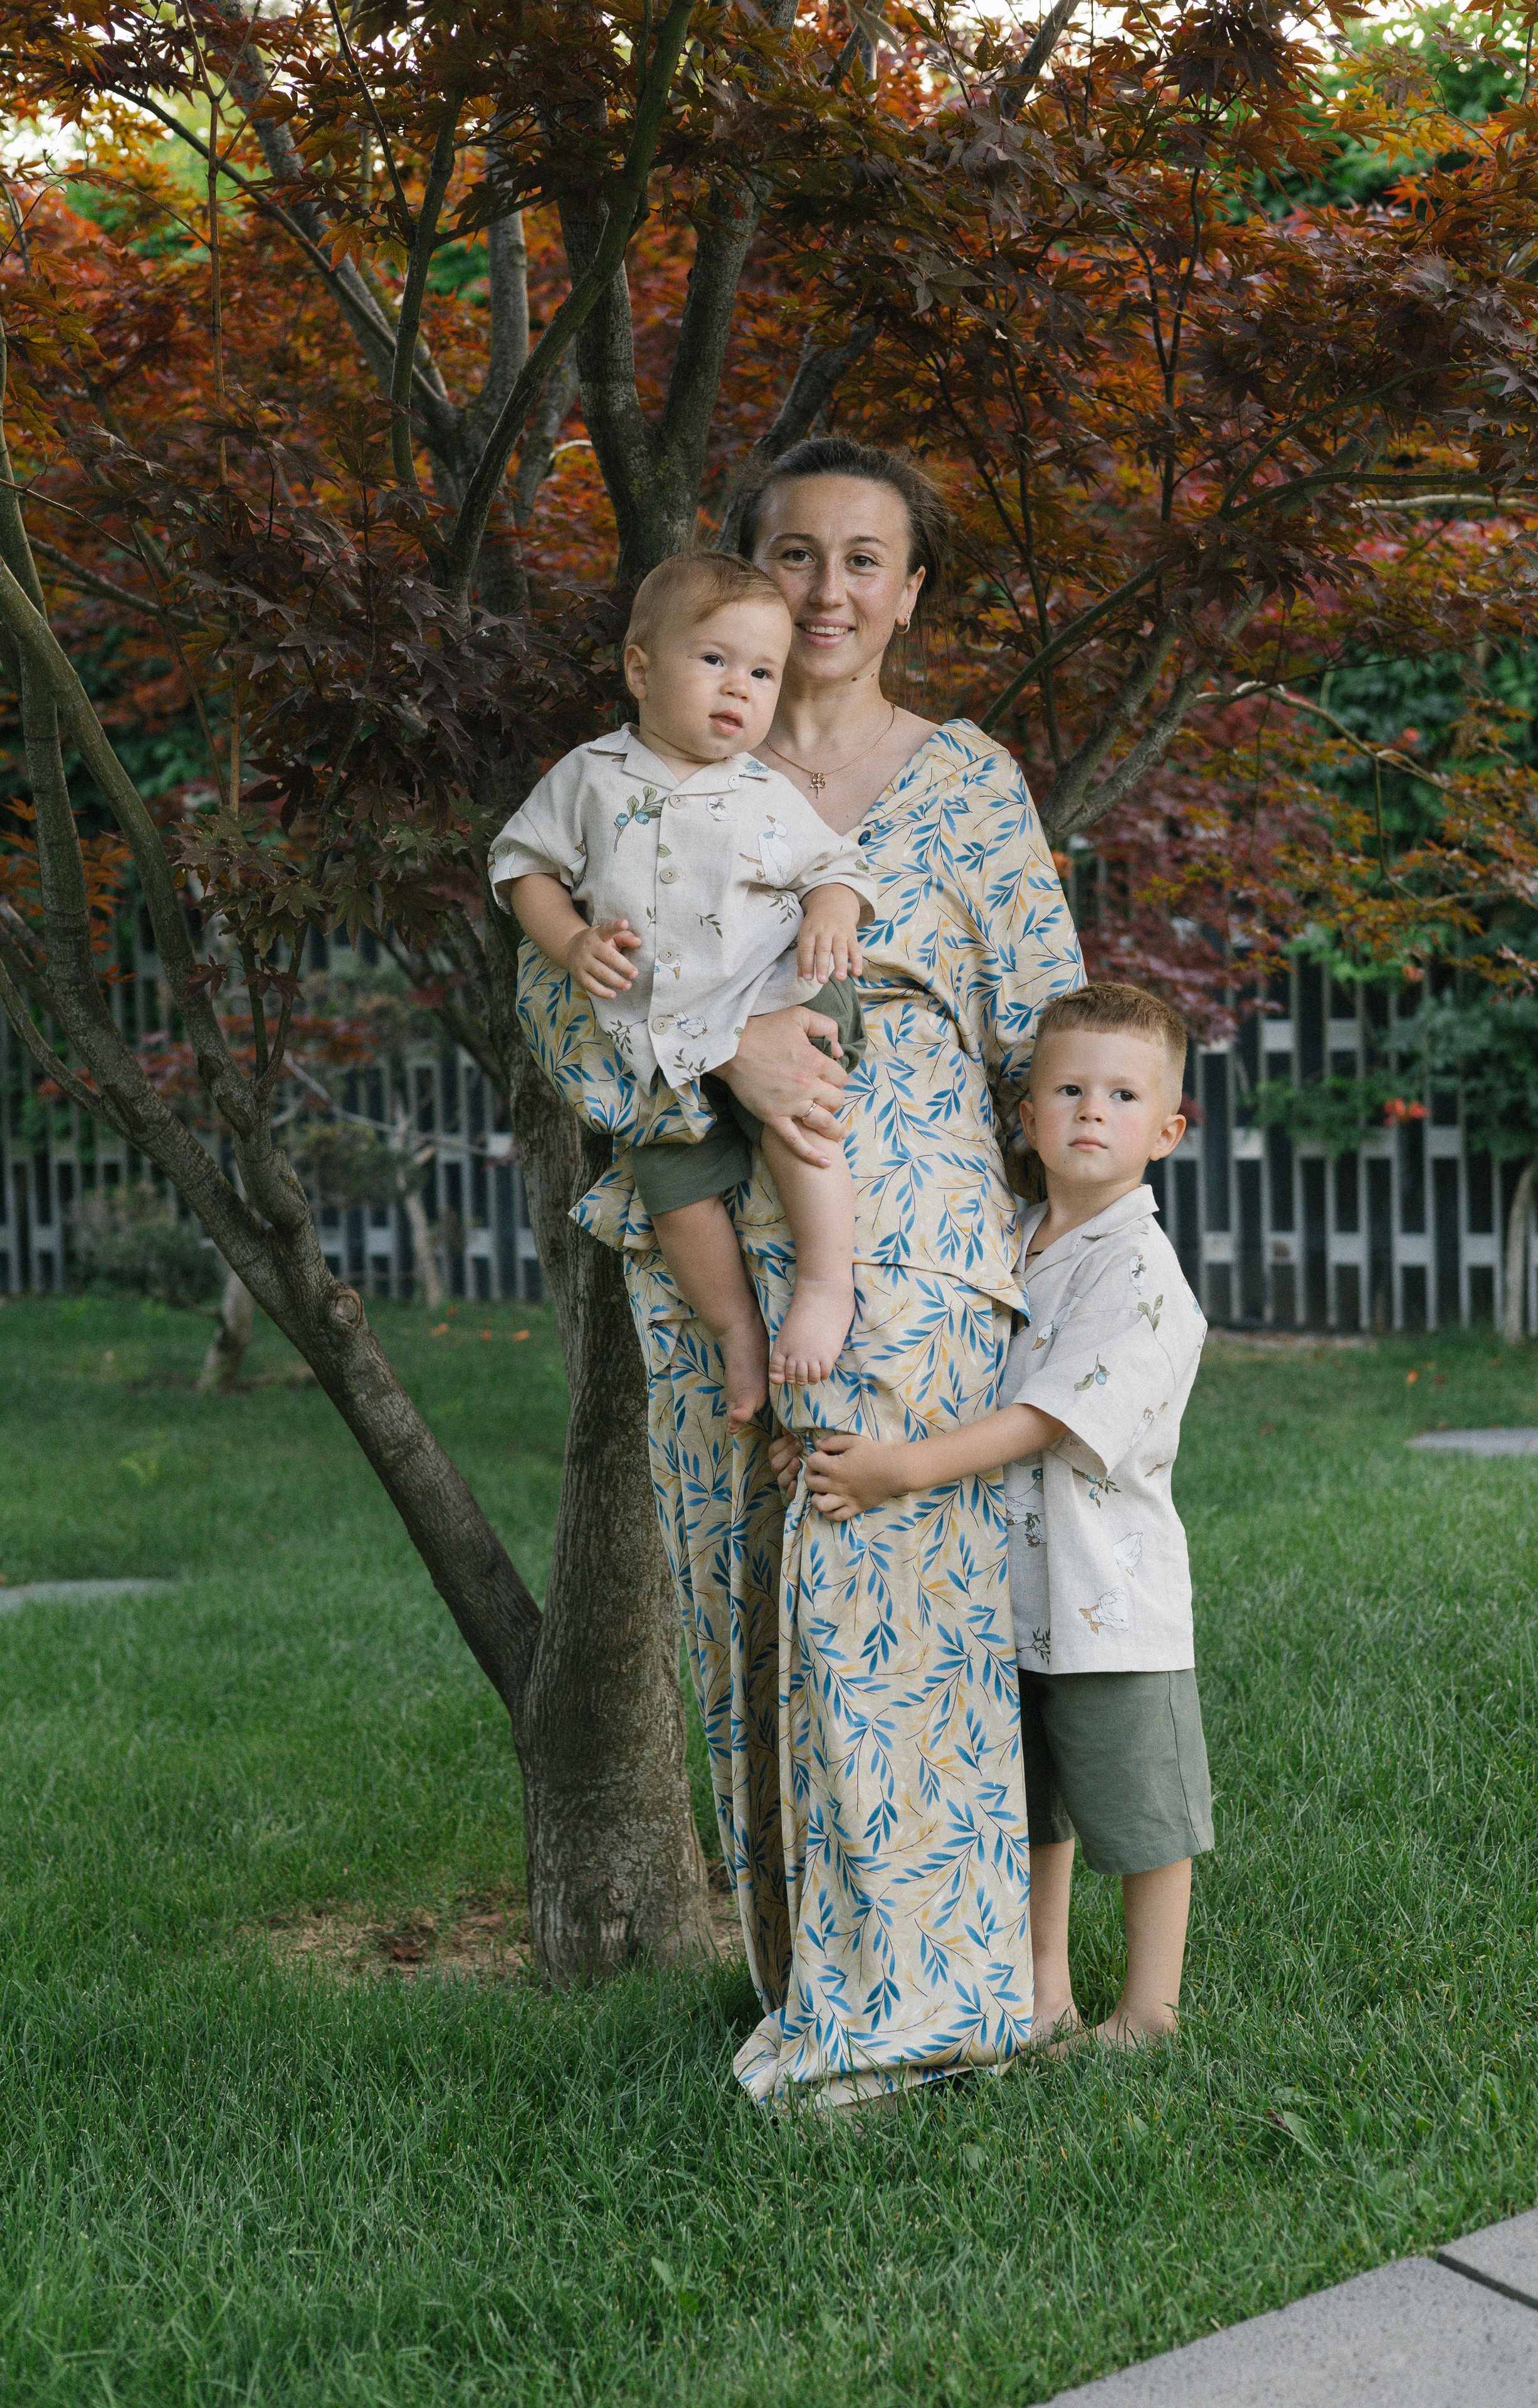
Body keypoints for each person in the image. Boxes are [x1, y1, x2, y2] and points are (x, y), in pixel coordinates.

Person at [515, 436, 1084, 2108]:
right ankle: (825, 1974)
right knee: (741, 1602)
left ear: (911, 592)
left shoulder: (967, 778)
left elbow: (1047, 1031)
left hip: (906, 1237)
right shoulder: (632, 779)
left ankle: (923, 2006)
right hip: (697, 1243)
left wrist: (1075, 1255)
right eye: (796, 554)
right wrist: (726, 1055)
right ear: (748, 574)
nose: (830, 589)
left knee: (886, 1599)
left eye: (865, 559)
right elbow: (561, 1008)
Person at [794, 982, 1214, 2049]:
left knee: (1140, 1813)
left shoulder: (1143, 1275)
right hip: (1005, 1594)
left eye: (1122, 1095)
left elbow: (1042, 1418)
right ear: (1025, 1116)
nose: (1090, 1111)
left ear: (1165, 1131)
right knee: (1034, 1811)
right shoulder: (1013, 1238)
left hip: (1109, 1600)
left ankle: (1152, 2009)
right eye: (1068, 1088)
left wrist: (901, 1470)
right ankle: (1043, 1990)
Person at [488, 552, 876, 1417]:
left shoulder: (762, 792)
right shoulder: (590, 777)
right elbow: (523, 870)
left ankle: (826, 1280)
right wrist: (573, 940)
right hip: (660, 1036)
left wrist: (832, 913)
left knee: (798, 1119)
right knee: (676, 1186)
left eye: (763, 672)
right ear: (639, 668)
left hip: (774, 991)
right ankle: (737, 1330)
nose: (739, 687)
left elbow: (836, 868)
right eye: (714, 661)